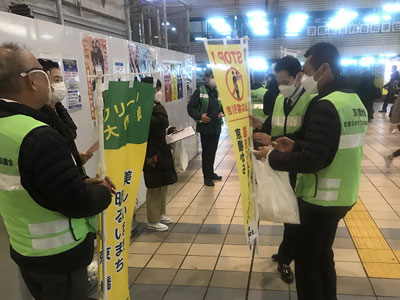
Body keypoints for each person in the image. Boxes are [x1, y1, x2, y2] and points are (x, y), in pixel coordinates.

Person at [0, 42, 115, 300]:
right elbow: (77, 204)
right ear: (32, 80)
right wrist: (105, 192)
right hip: (60, 256)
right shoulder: (37, 135)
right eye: (42, 72)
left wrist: (77, 181)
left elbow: (28, 181)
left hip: (25, 249)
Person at [254, 42, 368, 300]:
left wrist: (273, 157)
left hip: (320, 198)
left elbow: (313, 160)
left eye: (306, 70)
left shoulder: (326, 104)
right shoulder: (352, 100)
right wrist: (295, 143)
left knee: (307, 266)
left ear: (324, 69)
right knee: (323, 258)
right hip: (343, 195)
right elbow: (329, 145)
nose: (304, 76)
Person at [251, 56, 315, 284]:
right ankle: (286, 252)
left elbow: (308, 136)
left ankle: (286, 258)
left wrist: (274, 138)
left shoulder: (312, 100)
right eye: (278, 82)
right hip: (281, 164)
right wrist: (259, 126)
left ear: (299, 76)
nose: (281, 86)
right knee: (289, 212)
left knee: (294, 215)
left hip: (300, 166)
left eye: (285, 80)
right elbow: (272, 124)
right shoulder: (280, 98)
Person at [38, 59, 93, 170]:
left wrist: (76, 156)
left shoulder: (58, 111)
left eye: (61, 80)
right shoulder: (40, 118)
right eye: (56, 80)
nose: (61, 85)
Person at [143, 77, 178, 231]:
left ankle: (161, 213)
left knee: (162, 184)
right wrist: (150, 154)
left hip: (161, 149)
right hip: (152, 152)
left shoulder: (155, 105)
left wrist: (169, 130)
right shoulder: (142, 107)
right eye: (156, 89)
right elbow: (151, 127)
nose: (159, 93)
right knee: (154, 187)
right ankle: (152, 219)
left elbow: (160, 126)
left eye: (158, 89)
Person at [187, 69, 224, 187]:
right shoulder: (200, 91)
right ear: (207, 78)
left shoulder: (218, 92)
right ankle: (206, 176)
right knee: (207, 152)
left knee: (213, 151)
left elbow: (224, 106)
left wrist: (222, 113)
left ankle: (211, 172)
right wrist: (199, 116)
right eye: (212, 77)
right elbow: (191, 107)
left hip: (216, 127)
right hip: (205, 127)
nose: (214, 79)